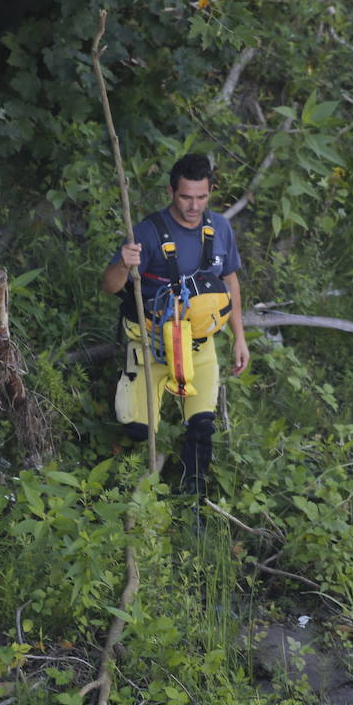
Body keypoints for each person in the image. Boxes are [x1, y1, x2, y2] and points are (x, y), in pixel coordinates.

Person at [101, 154, 250, 496]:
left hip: (199, 347)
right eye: (185, 196)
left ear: (211, 191)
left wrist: (240, 338)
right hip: (150, 346)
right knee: (137, 431)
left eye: (201, 196)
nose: (193, 205)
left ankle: (193, 500)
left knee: (201, 429)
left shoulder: (220, 229)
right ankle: (134, 492)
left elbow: (232, 282)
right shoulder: (147, 232)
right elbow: (109, 286)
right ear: (171, 191)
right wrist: (124, 264)